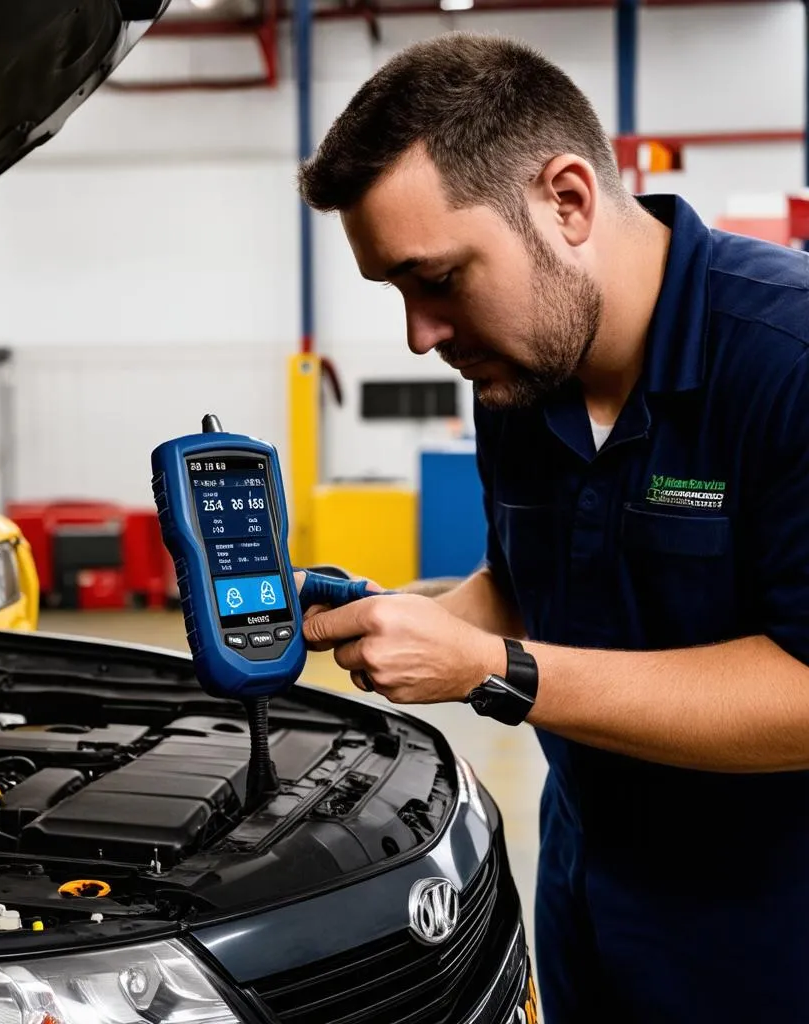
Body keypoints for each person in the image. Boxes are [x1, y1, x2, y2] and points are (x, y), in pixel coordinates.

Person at [293, 32, 809, 1024]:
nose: (419, 335)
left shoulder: (785, 363)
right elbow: (525, 586)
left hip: (772, 936)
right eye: (395, 292)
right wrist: (409, 620)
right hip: (586, 896)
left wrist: (495, 668)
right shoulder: (516, 385)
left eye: (437, 278)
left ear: (566, 200)